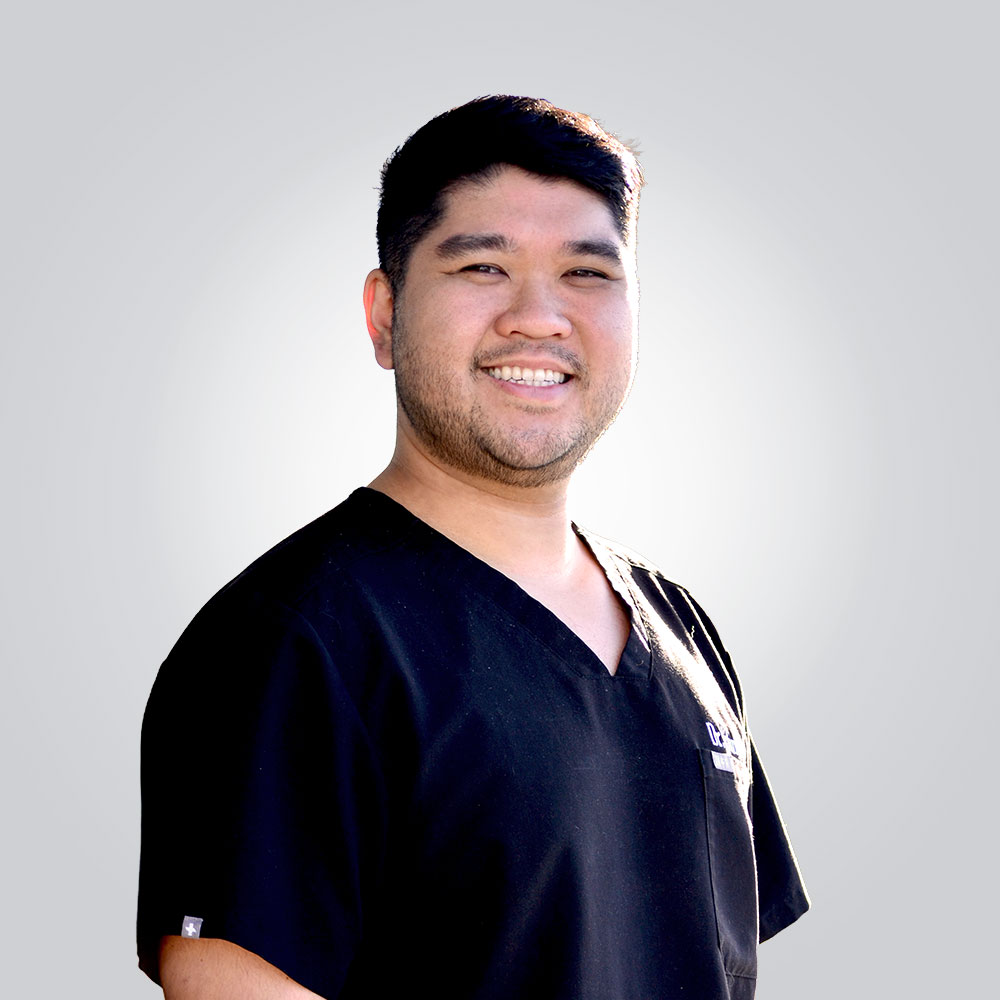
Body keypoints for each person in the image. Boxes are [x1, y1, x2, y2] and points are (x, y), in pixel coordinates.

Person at [137, 95, 808, 1000]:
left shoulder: (684, 635)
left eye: (586, 273)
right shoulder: (291, 644)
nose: (539, 316)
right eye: (484, 267)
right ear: (384, 316)